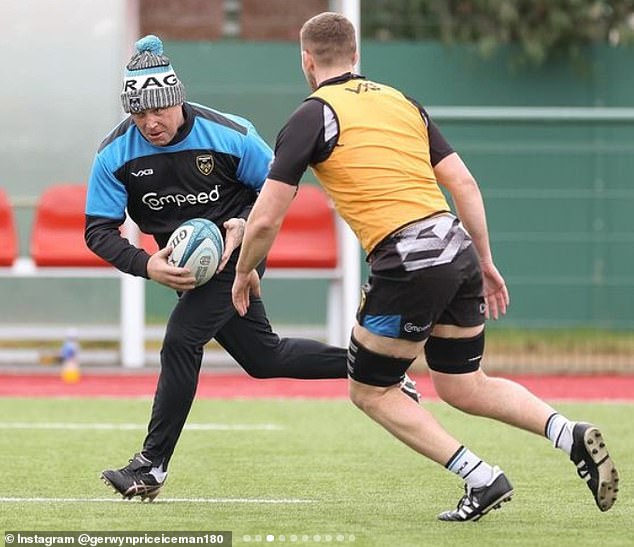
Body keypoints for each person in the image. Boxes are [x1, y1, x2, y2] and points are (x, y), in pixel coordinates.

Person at [232, 12, 620, 521]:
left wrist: (243, 272)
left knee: (371, 390)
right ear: (357, 57)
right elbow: (465, 185)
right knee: (463, 383)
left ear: (306, 61)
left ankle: (481, 478)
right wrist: (484, 260)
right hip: (455, 249)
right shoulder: (402, 102)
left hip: (408, 261)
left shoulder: (311, 115)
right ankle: (567, 433)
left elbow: (265, 219)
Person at [86, 34, 419, 502]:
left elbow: (279, 188)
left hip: (239, 250)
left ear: (176, 99)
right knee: (265, 358)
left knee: (181, 340)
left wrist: (243, 232)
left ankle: (150, 467)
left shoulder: (229, 134)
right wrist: (147, 264)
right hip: (185, 269)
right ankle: (383, 367)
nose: (149, 122)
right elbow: (98, 231)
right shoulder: (115, 153)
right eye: (138, 113)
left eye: (157, 110)